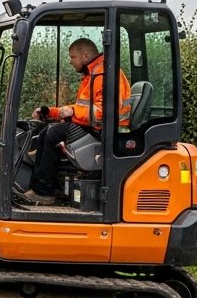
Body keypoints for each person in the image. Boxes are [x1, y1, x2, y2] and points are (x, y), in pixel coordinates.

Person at [17, 38, 130, 207]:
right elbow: (81, 108)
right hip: (96, 127)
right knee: (47, 131)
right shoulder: (93, 73)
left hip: (106, 131)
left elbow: (104, 114)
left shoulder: (104, 74)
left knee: (53, 133)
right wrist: (51, 112)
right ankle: (46, 189)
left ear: (85, 56)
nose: (70, 61)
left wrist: (73, 112)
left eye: (73, 57)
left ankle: (44, 192)